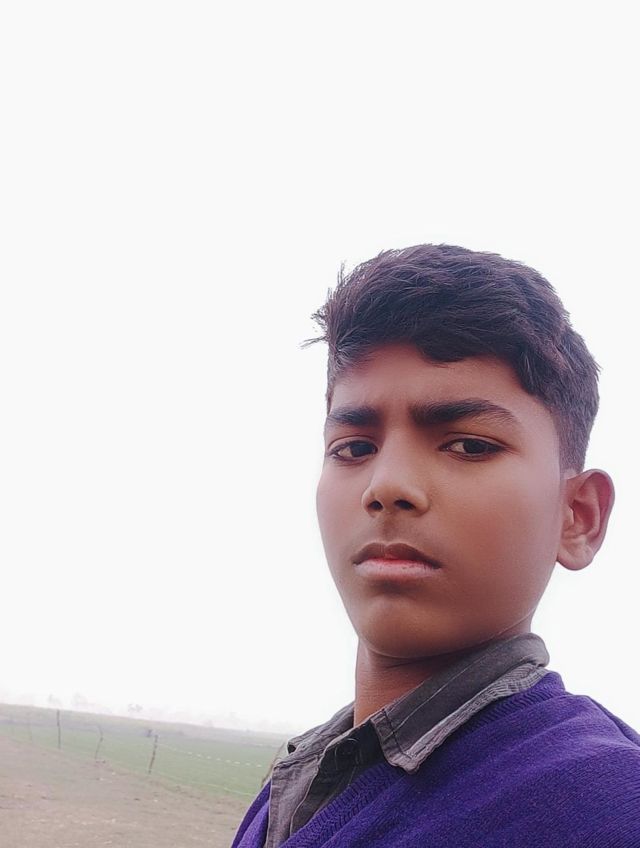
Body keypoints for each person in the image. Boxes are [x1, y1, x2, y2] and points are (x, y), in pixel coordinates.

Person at [231, 244, 640, 847]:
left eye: (469, 446)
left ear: (577, 516)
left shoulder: (606, 806)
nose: (386, 485)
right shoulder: (297, 779)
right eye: (354, 447)